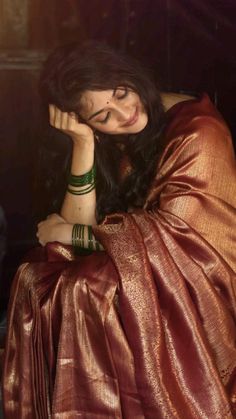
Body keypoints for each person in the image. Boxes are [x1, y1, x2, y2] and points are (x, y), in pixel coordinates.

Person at [2, 42, 236, 418]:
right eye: (102, 115)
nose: (124, 113)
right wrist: (83, 143)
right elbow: (84, 229)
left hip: (204, 288)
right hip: (152, 272)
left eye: (121, 93)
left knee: (89, 285)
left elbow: (176, 241)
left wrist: (67, 234)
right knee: (39, 272)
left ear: (130, 75)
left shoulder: (198, 131)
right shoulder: (116, 138)